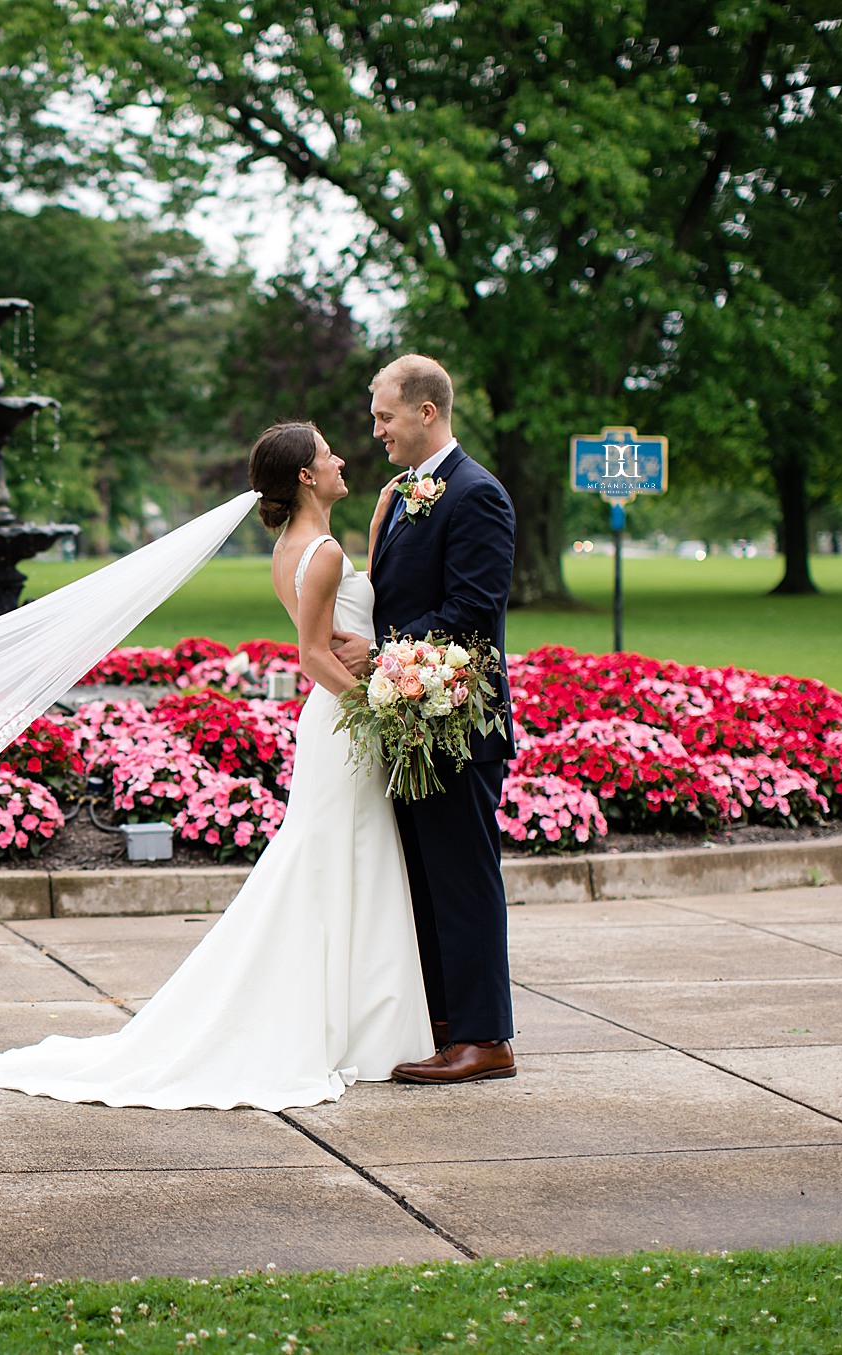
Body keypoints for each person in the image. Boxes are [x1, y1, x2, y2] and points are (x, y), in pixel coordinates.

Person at [0, 422, 433, 1110]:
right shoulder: (326, 552)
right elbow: (312, 653)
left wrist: (379, 513)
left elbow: (338, 617)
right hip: (344, 721)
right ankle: (356, 1026)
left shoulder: (297, 546)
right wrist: (377, 704)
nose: (340, 457)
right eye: (328, 452)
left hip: (331, 721)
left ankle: (357, 1021)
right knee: (340, 859)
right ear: (306, 475)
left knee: (340, 860)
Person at [336, 354, 518, 1085]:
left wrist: (376, 653)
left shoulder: (476, 495)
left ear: (426, 412)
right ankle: (444, 1023)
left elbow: (469, 618)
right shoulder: (408, 493)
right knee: (426, 880)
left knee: (464, 880)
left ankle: (485, 1037)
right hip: (415, 723)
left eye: (384, 415)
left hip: (459, 725)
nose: (376, 429)